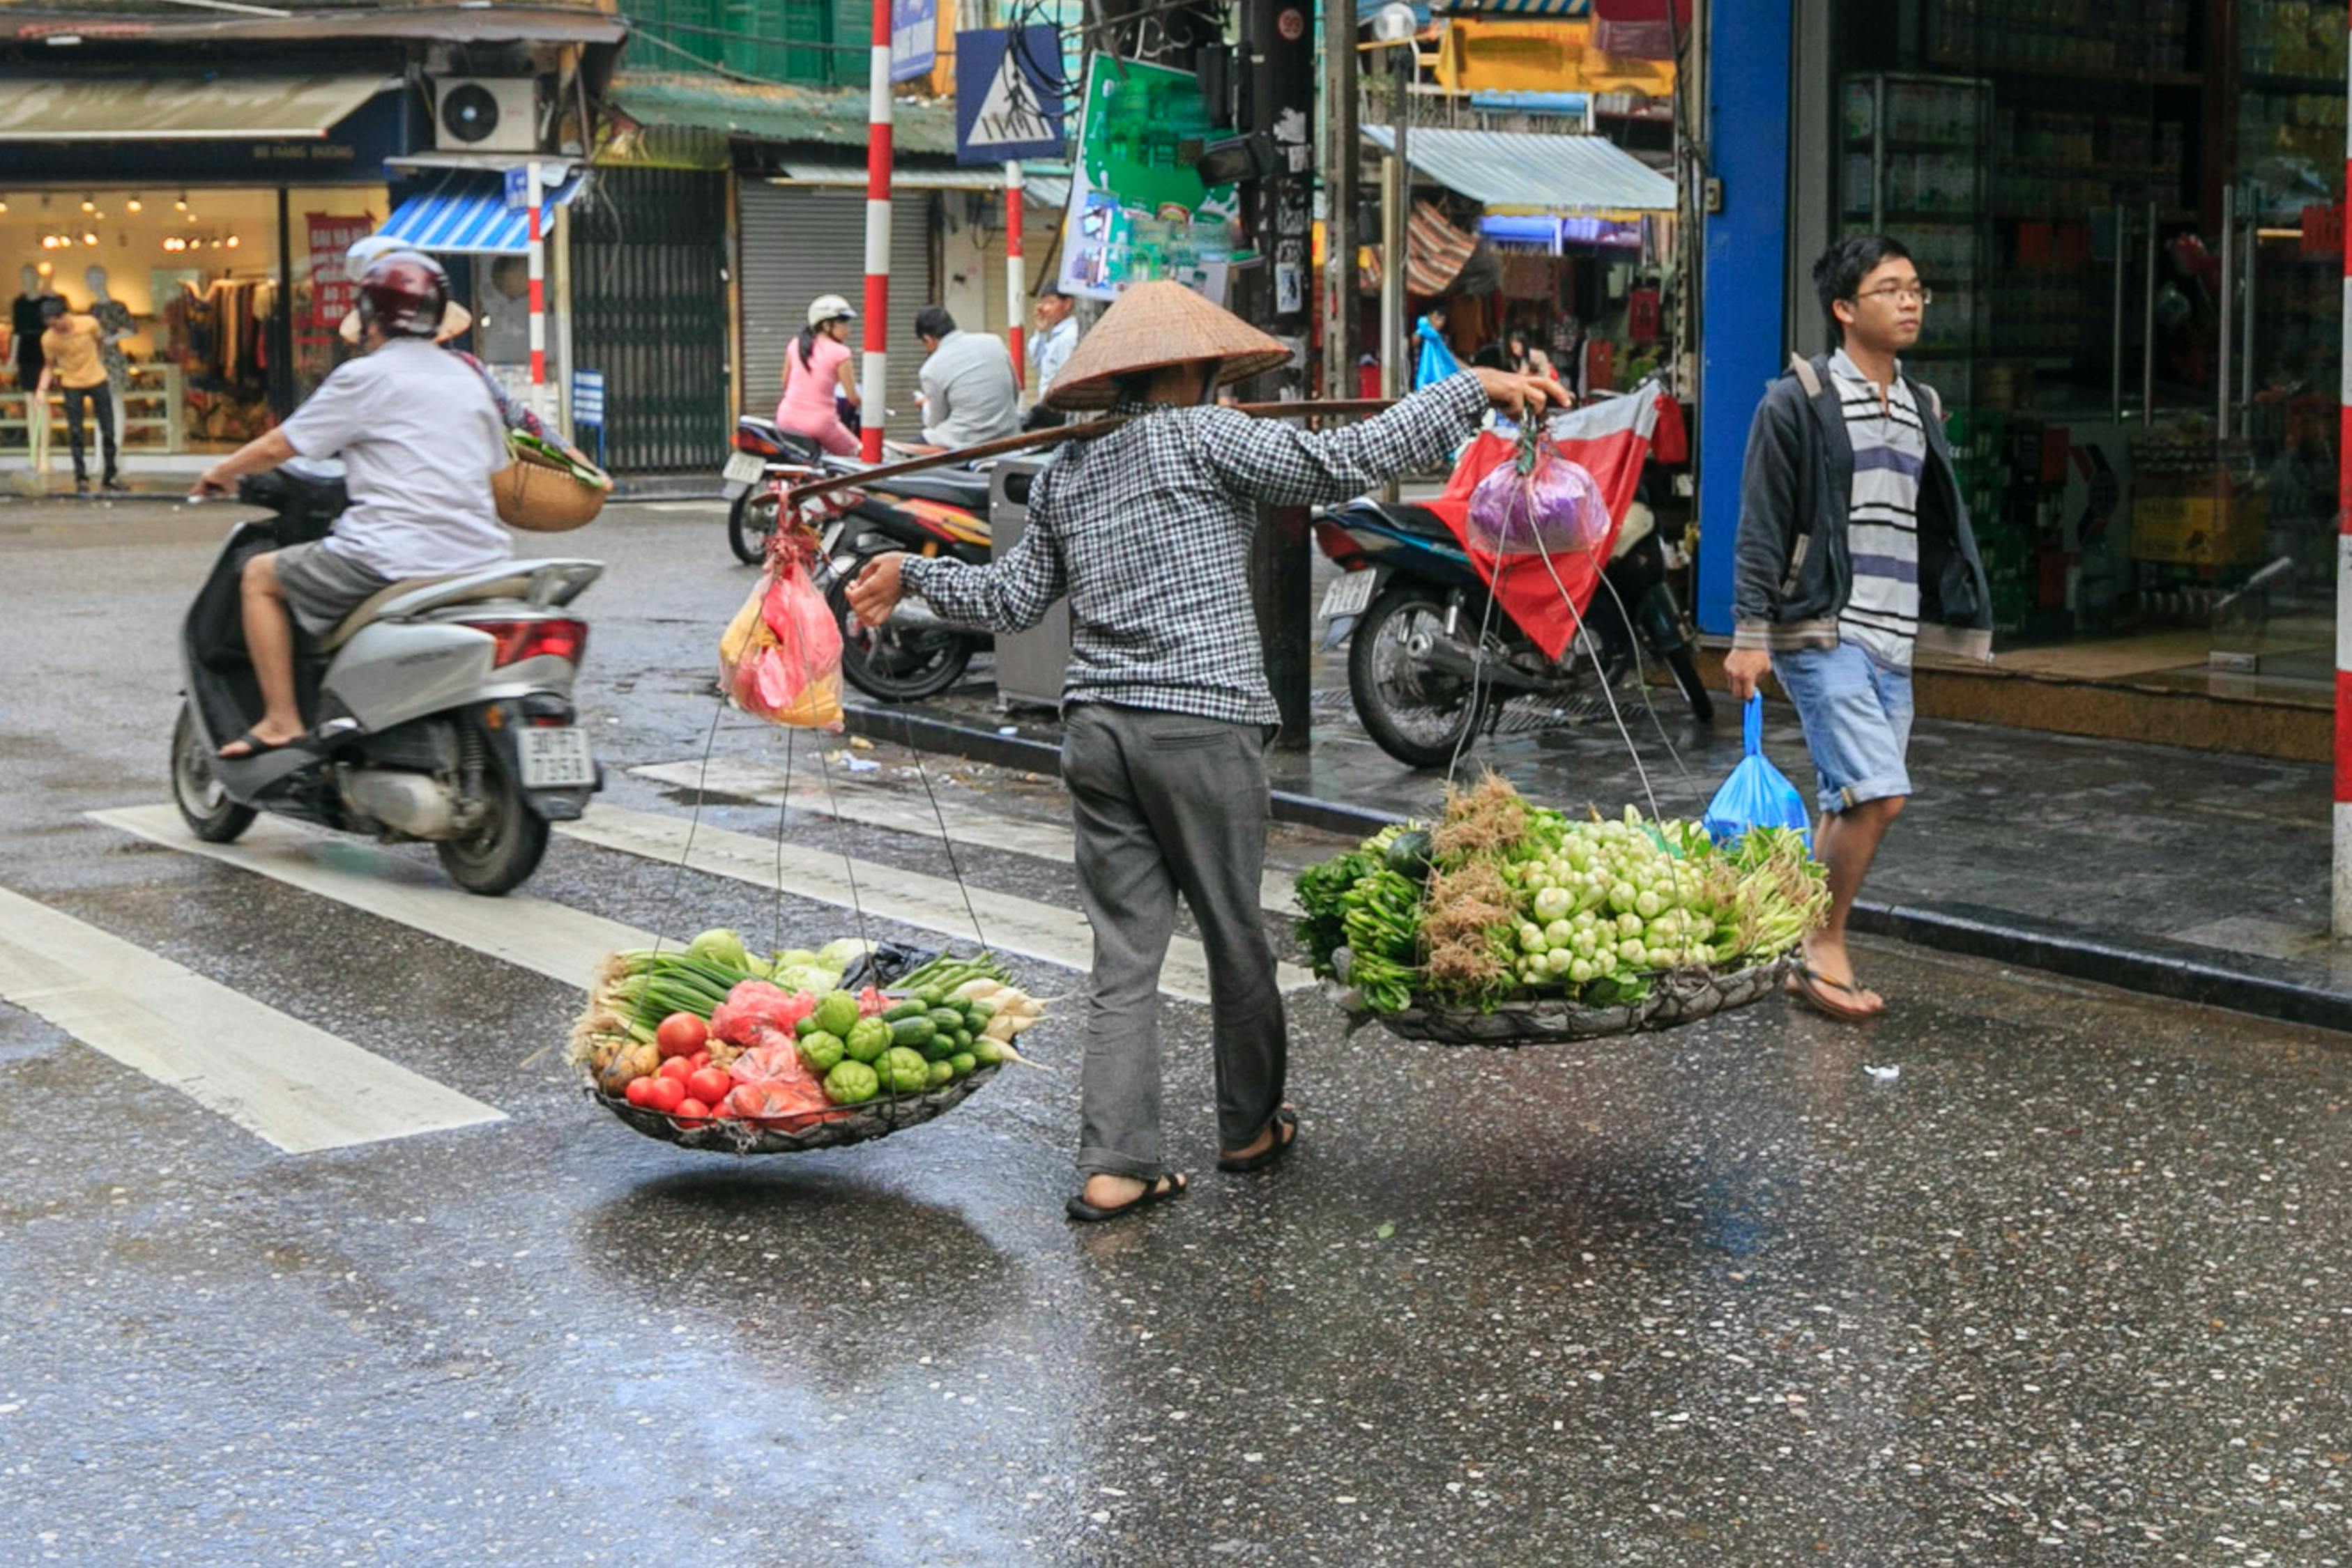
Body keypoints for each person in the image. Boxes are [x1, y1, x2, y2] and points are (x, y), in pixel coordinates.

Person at [846, 281, 1565, 1222]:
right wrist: (1468, 386)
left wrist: (915, 573)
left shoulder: (1067, 468)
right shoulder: (1204, 435)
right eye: (1209, 371)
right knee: (1234, 938)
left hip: (1097, 733)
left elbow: (1014, 599)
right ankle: (1247, 1127)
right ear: (1185, 368)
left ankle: (1114, 1163)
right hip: (1201, 722)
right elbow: (1344, 459)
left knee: (1123, 956)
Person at [1721, 236, 1992, 1022]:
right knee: (1879, 796)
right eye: (1888, 289)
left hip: (1893, 637)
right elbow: (1762, 523)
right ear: (1844, 309)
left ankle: (1788, 940)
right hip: (1819, 631)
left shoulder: (1922, 406)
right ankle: (1821, 942)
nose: (1909, 301)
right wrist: (1749, 633)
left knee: (1847, 799)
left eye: (1916, 289)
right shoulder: (1796, 400)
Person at [191, 252, 512, 760]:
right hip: (482, 558)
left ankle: (280, 720)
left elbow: (281, 446)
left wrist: (220, 472)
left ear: (371, 317)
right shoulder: (467, 379)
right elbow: (495, 467)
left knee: (259, 576)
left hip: (392, 555)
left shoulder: (364, 377)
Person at [33, 298, 120, 494]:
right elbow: (49, 366)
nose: (56, 328)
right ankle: (81, 478)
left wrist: (92, 362)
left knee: (108, 429)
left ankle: (110, 476)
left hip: (97, 378)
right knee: (76, 432)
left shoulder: (89, 323)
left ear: (65, 315)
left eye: (57, 322)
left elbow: (99, 343)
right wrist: (41, 390)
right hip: (71, 383)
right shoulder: (49, 339)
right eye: (50, 325)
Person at [912, 305, 1018, 450]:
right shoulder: (994, 342)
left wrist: (925, 405)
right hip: (1008, 433)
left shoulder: (931, 369)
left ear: (928, 339)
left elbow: (935, 421)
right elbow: (1014, 391)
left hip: (966, 442)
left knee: (902, 453)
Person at [777, 293, 861, 456]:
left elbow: (785, 383)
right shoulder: (841, 353)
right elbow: (852, 398)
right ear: (826, 325)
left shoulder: (795, 344)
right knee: (859, 457)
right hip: (820, 424)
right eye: (842, 322)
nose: (847, 330)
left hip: (786, 419)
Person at [1022, 287, 1080, 431]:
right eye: (1043, 303)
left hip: (1058, 412)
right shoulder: (1055, 333)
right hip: (1049, 408)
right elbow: (1036, 361)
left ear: (1067, 304)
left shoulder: (1068, 337)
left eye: (1050, 303)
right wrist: (1040, 331)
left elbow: (1067, 380)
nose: (1045, 309)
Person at [1413, 303, 1462, 390]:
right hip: (1422, 383)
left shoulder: (1444, 338)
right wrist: (1425, 328)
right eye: (1436, 318)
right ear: (1429, 316)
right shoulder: (1420, 335)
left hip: (1441, 383)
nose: (1439, 323)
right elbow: (1414, 342)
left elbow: (1449, 357)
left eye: (1442, 319)